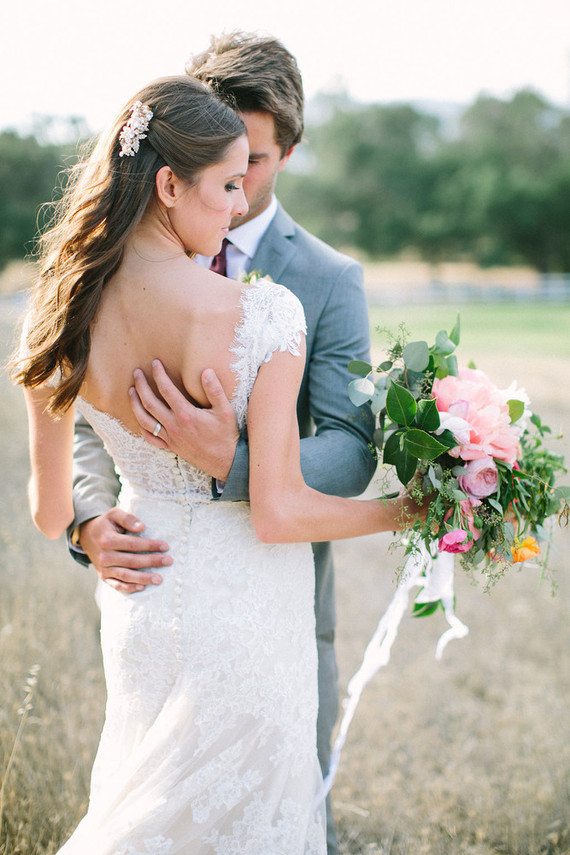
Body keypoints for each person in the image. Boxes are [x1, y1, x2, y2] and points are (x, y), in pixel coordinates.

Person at [14, 75, 425, 853]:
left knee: (146, 804)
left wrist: (91, 525)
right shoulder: (264, 313)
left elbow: (46, 510)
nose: (241, 205)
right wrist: (405, 511)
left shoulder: (56, 306)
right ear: (169, 185)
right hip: (247, 612)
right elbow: (280, 512)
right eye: (229, 184)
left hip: (140, 594)